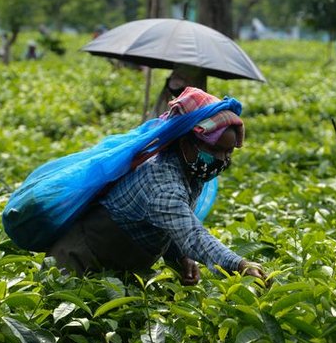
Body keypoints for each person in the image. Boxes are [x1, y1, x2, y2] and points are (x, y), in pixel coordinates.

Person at [48, 87, 267, 285]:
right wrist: (239, 265)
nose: (222, 159)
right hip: (77, 266)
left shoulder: (189, 173)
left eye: (228, 152)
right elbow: (193, 236)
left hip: (118, 273)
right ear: (185, 143)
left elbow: (165, 223)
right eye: (215, 149)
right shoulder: (161, 181)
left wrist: (179, 256)